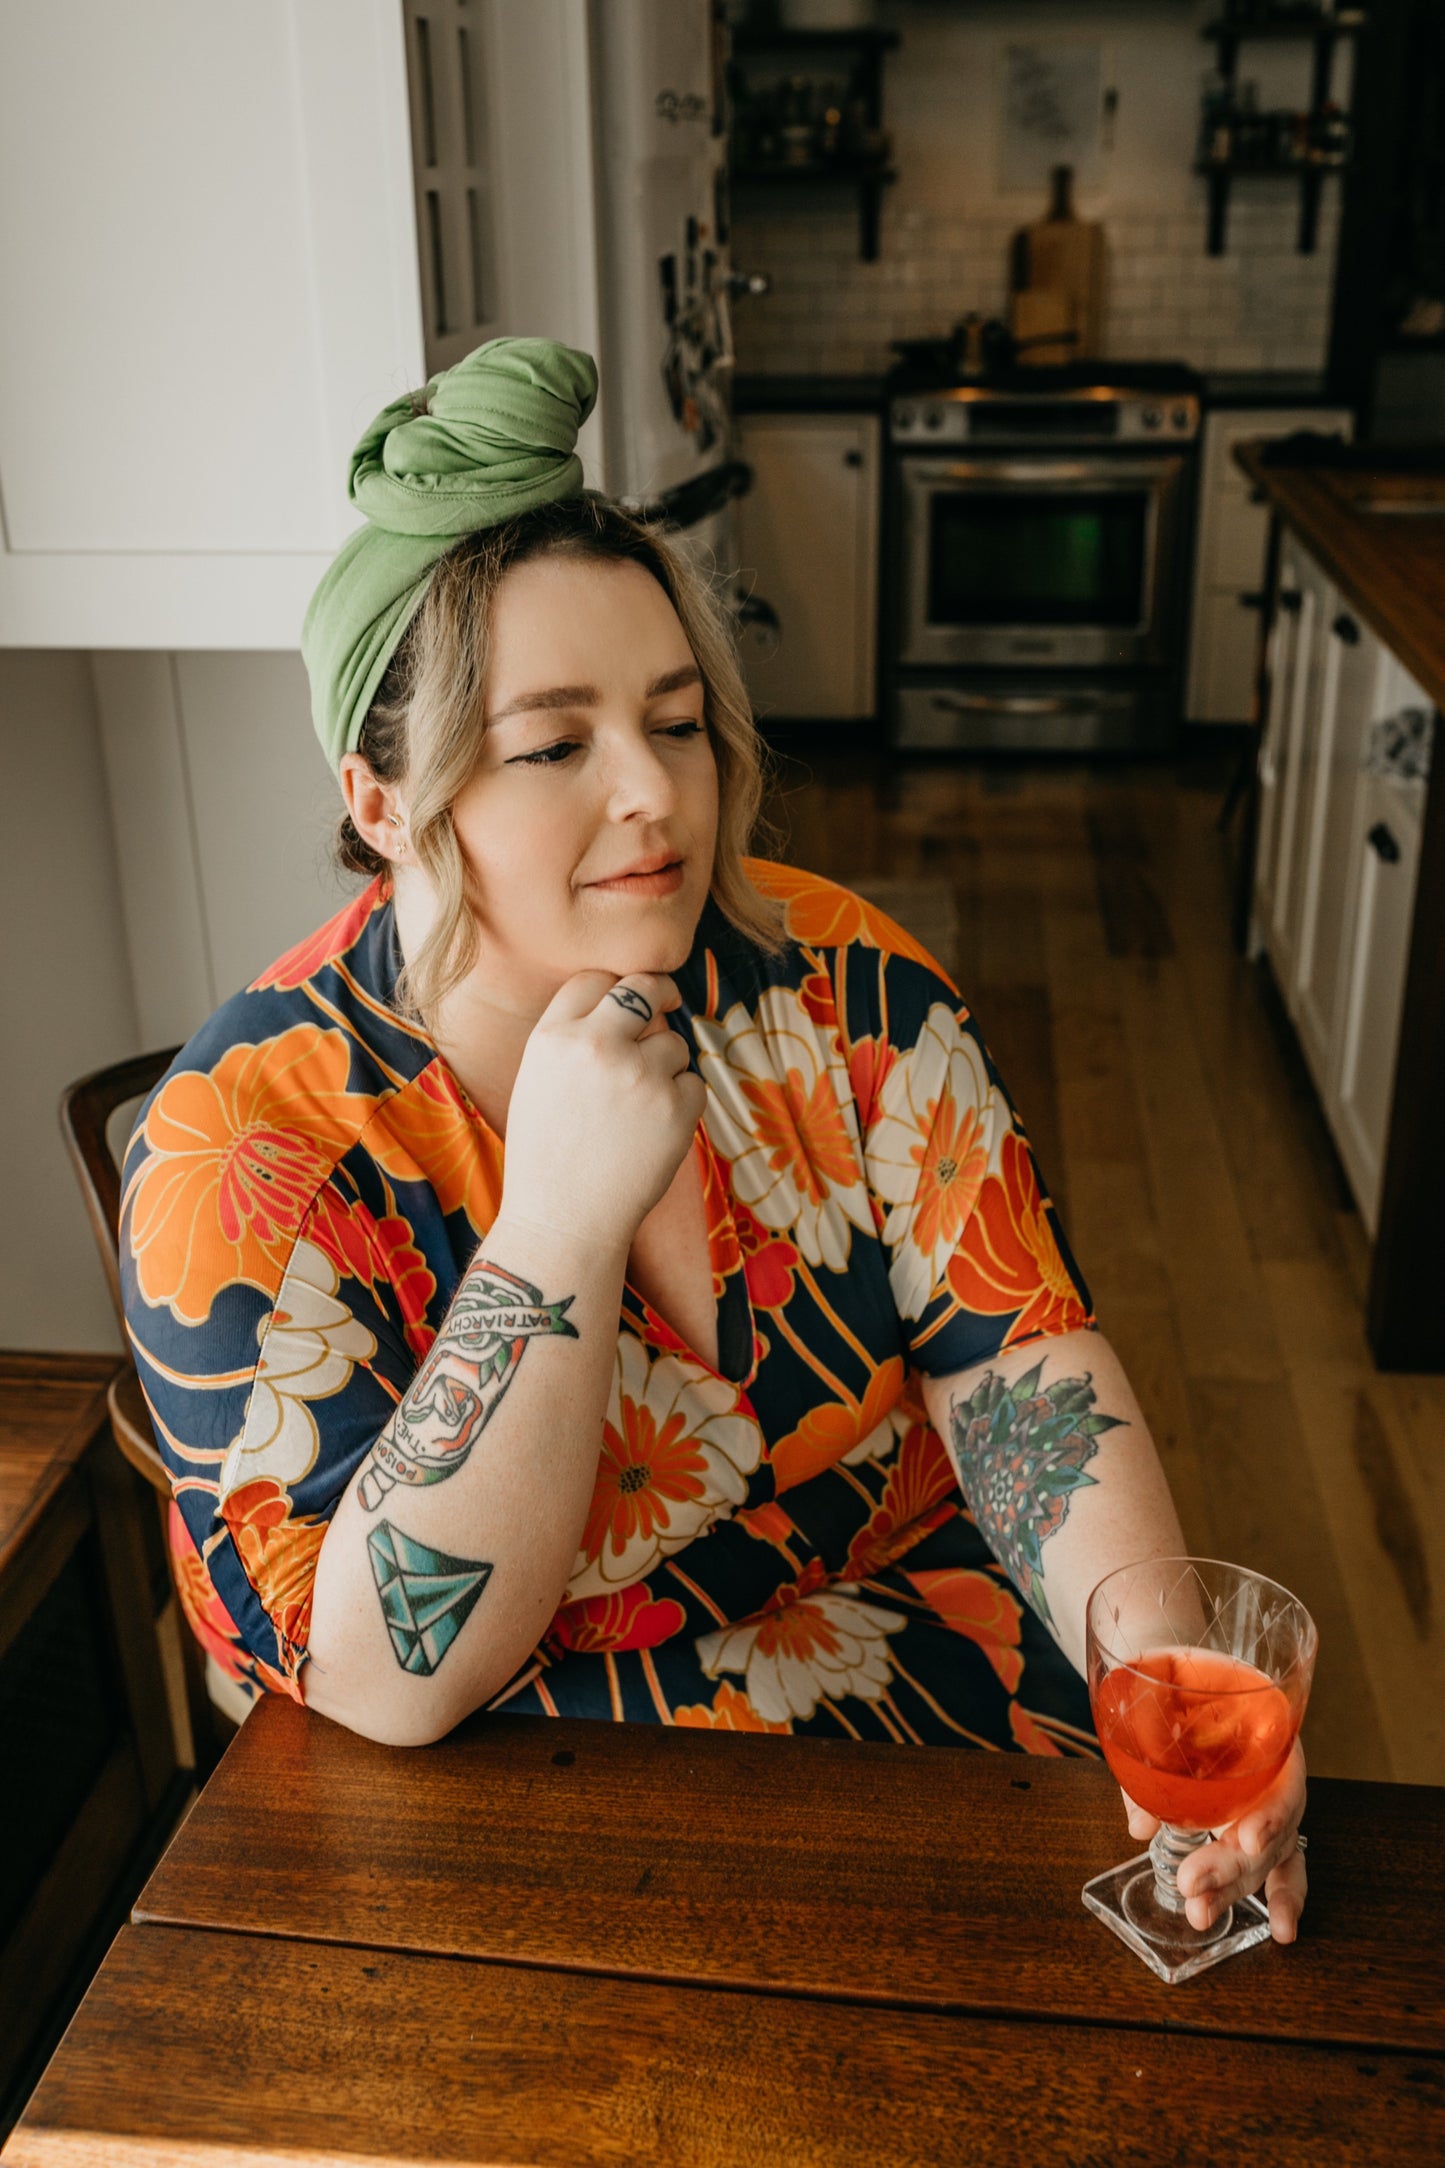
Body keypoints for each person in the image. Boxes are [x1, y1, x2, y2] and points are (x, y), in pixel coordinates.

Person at [119, 336, 1307, 1944]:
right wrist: (553, 1225)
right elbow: (387, 1685)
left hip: (937, 1696)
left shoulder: (841, 987)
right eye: (554, 745)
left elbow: (1017, 1374)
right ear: (384, 799)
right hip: (524, 1800)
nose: (655, 797)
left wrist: (1153, 1681)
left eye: (674, 724)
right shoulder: (245, 1151)